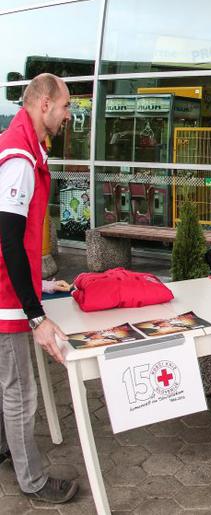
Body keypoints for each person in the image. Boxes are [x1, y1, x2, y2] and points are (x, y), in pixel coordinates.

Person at [0, 73, 77, 503]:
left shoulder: (21, 147)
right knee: (20, 392)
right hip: (5, 300)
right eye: (65, 106)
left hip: (10, 289)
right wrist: (36, 316)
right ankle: (32, 481)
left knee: (5, 382)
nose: (68, 116)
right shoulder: (19, 159)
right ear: (44, 103)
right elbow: (9, 240)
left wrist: (41, 282)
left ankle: (5, 449)